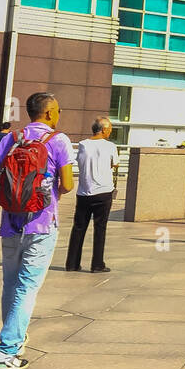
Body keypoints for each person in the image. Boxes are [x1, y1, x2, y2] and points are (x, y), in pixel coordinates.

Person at [0, 91, 74, 369]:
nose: (58, 115)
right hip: (42, 224)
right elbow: (68, 184)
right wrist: (50, 191)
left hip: (10, 223)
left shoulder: (10, 139)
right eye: (57, 110)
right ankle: (7, 352)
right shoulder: (58, 140)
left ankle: (16, 342)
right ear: (48, 113)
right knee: (27, 289)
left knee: (11, 285)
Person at [66, 116, 119, 273]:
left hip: (84, 192)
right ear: (103, 130)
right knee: (100, 228)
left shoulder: (83, 144)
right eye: (109, 129)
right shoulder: (110, 146)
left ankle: (72, 263)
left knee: (78, 228)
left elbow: (80, 162)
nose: (110, 132)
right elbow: (114, 163)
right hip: (103, 192)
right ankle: (97, 264)